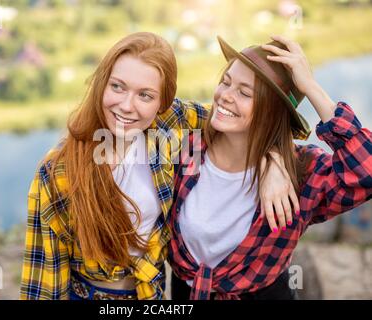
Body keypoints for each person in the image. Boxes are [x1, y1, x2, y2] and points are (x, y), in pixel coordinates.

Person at [19, 32, 298, 300]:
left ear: (162, 102)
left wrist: (272, 159)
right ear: (102, 84)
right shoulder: (58, 171)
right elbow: (42, 283)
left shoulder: (171, 125)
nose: (127, 106)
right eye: (117, 86)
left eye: (145, 95)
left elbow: (246, 121)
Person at [168, 35, 372, 300]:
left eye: (244, 92)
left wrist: (310, 86)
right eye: (226, 82)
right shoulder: (187, 148)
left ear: (272, 112)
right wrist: (270, 156)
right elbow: (141, 110)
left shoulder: (303, 173)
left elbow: (366, 170)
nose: (225, 97)